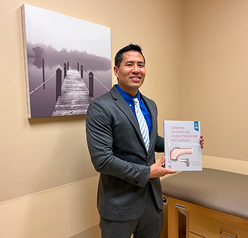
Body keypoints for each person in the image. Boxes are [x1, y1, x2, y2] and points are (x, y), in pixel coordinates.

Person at [86, 44, 204, 238]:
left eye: (140, 65)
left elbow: (150, 141)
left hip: (152, 201)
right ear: (116, 70)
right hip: (119, 204)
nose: (136, 70)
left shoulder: (150, 105)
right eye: (129, 64)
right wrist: (148, 172)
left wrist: (188, 144)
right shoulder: (100, 108)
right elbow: (102, 161)